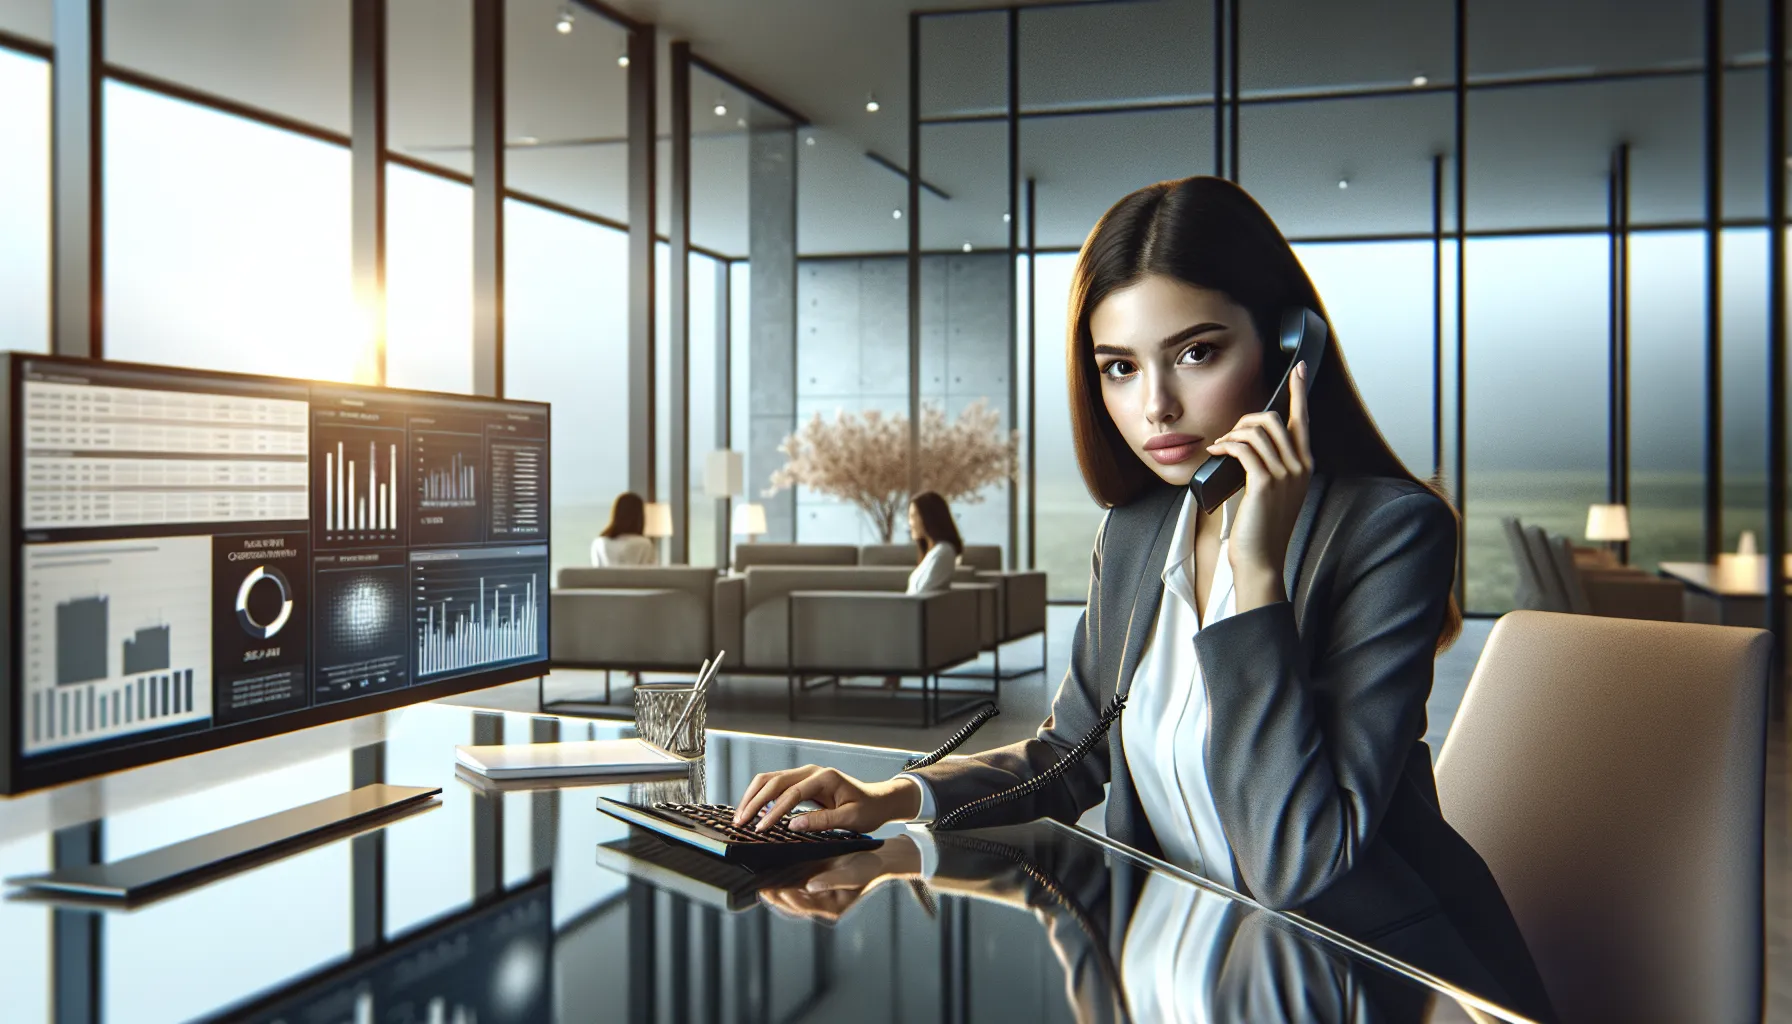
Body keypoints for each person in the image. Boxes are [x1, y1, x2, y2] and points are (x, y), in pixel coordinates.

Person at [730, 176, 1555, 1022]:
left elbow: (1298, 863)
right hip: (1175, 966)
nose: (1155, 404)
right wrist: (890, 798)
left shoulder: (1389, 532)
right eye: (1120, 368)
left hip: (1354, 979)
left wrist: (1257, 577)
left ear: (1287, 350)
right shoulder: (1136, 531)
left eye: (1196, 352)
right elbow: (1071, 753)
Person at [905, 491, 962, 594]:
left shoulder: (944, 552)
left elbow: (922, 594)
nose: (910, 523)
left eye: (913, 516)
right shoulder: (933, 552)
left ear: (928, 517)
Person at [590, 492, 657, 567]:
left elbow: (596, 572)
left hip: (605, 579)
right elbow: (649, 574)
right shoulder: (644, 544)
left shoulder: (599, 542)